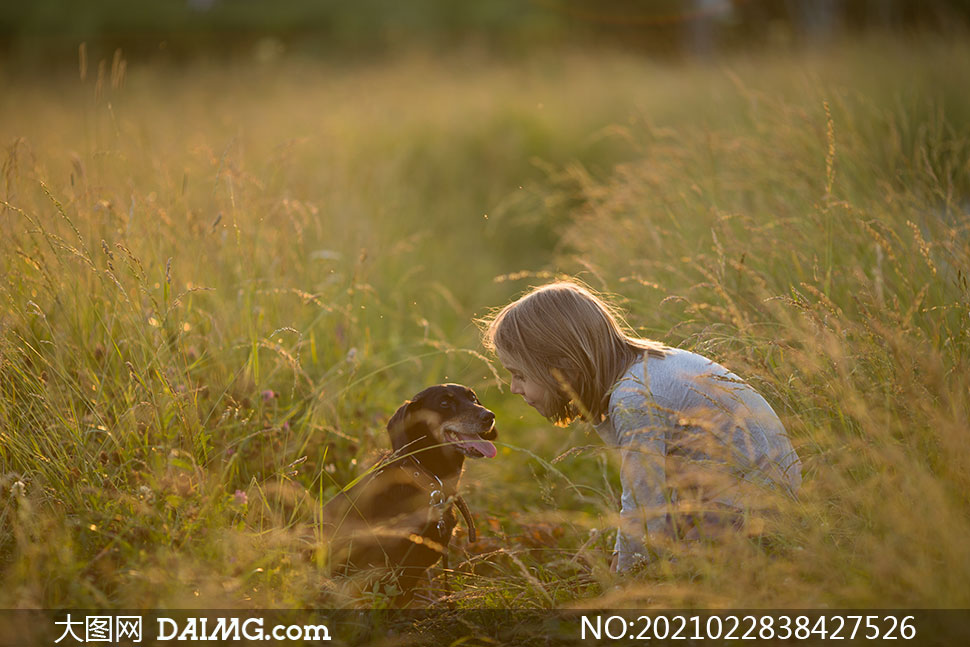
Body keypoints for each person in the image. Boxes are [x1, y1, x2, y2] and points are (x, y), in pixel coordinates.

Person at [481, 280, 801, 572]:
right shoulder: (645, 366)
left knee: (673, 575)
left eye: (520, 375)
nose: (514, 388)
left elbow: (643, 502)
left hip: (760, 510)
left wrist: (625, 576)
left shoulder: (635, 398)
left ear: (565, 367)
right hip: (748, 494)